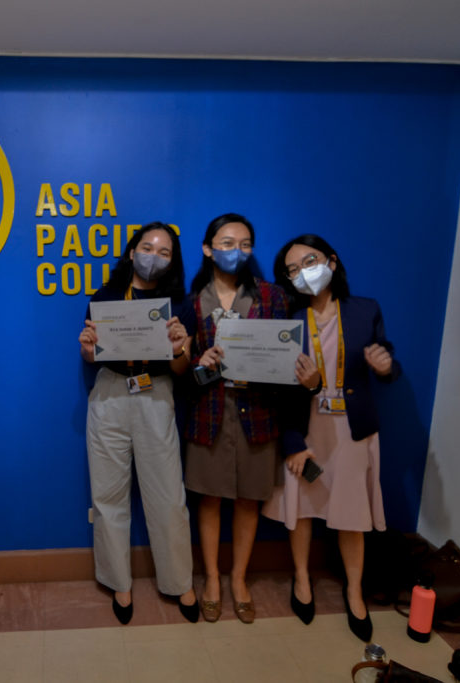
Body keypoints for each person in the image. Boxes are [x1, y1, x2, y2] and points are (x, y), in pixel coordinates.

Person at [263, 233, 400, 643]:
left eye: (309, 262)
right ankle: (301, 579)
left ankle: (353, 591)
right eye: (291, 270)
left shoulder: (364, 310)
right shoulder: (285, 321)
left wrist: (384, 366)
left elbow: (389, 365)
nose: (302, 274)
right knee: (303, 504)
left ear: (332, 262)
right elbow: (277, 388)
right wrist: (293, 437)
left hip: (352, 429)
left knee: (351, 512)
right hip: (306, 430)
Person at [78, 221, 200, 625]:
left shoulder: (179, 304)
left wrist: (182, 347)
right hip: (110, 394)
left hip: (156, 394)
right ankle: (119, 581)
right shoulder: (106, 297)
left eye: (164, 252)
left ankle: (179, 580)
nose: (153, 256)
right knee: (108, 494)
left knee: (167, 495)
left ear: (172, 261)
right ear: (132, 252)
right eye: (147, 247)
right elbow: (91, 356)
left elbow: (182, 369)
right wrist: (87, 349)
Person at [184, 213, 288, 624]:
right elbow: (183, 371)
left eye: (245, 244)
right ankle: (211, 578)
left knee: (248, 500)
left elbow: (282, 355)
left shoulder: (272, 296)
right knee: (208, 499)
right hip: (208, 410)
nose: (237, 251)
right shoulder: (191, 301)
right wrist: (200, 362)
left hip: (257, 410)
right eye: (227, 243)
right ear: (208, 248)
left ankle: (238, 579)